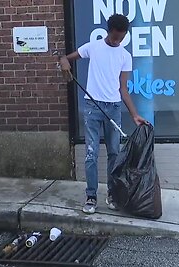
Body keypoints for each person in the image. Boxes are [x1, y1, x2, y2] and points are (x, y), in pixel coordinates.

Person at [59, 14, 148, 214]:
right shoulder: (93, 47)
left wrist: (134, 115)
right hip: (92, 106)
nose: (118, 41)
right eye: (116, 37)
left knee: (114, 154)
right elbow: (66, 57)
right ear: (110, 32)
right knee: (91, 154)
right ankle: (91, 197)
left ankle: (112, 193)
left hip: (114, 108)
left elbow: (123, 88)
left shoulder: (125, 56)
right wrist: (64, 63)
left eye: (122, 37)